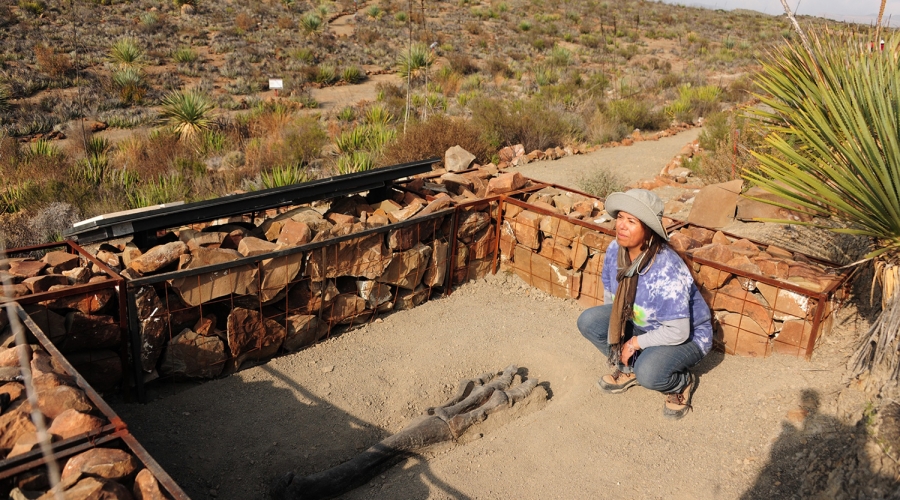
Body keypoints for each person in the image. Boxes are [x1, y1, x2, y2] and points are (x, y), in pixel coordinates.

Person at [576, 189, 712, 420]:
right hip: (640, 322)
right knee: (588, 320)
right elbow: (611, 298)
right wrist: (616, 334)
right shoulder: (615, 251)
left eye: (631, 221)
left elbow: (678, 331)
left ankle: (680, 383)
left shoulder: (666, 268)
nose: (621, 226)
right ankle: (629, 370)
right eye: (620, 217)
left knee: (649, 373)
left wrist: (634, 343)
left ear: (648, 231)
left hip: (687, 336)